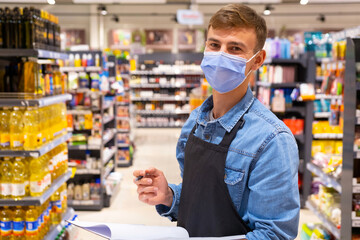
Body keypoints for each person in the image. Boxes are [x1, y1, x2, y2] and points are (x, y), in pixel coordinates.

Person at [134, 3, 300, 240]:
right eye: (214, 45)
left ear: (257, 60)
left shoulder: (272, 140)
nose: (221, 55)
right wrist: (169, 196)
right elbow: (202, 204)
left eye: (235, 48)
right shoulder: (194, 122)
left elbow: (275, 235)